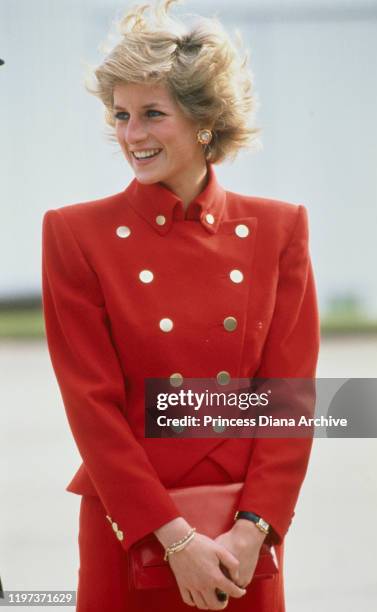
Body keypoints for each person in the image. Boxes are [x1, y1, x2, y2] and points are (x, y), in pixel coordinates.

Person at [41, 1, 320, 610]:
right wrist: (174, 539)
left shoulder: (278, 229)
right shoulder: (75, 233)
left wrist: (253, 529)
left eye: (152, 114)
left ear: (204, 121)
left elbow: (289, 398)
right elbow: (91, 407)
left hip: (242, 533)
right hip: (135, 526)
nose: (131, 135)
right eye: (120, 115)